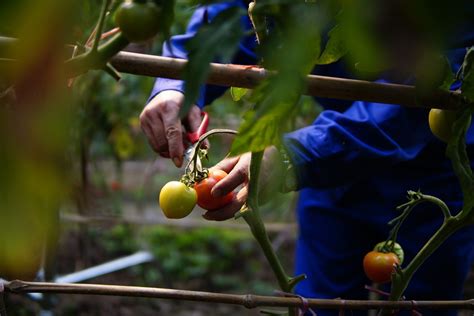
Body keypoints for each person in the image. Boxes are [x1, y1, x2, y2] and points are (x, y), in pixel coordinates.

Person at [140, 1, 474, 315]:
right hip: (332, 170)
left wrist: (298, 155)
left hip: (434, 173)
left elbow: (433, 85)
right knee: (319, 305)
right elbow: (242, 13)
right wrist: (179, 83)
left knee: (420, 305)